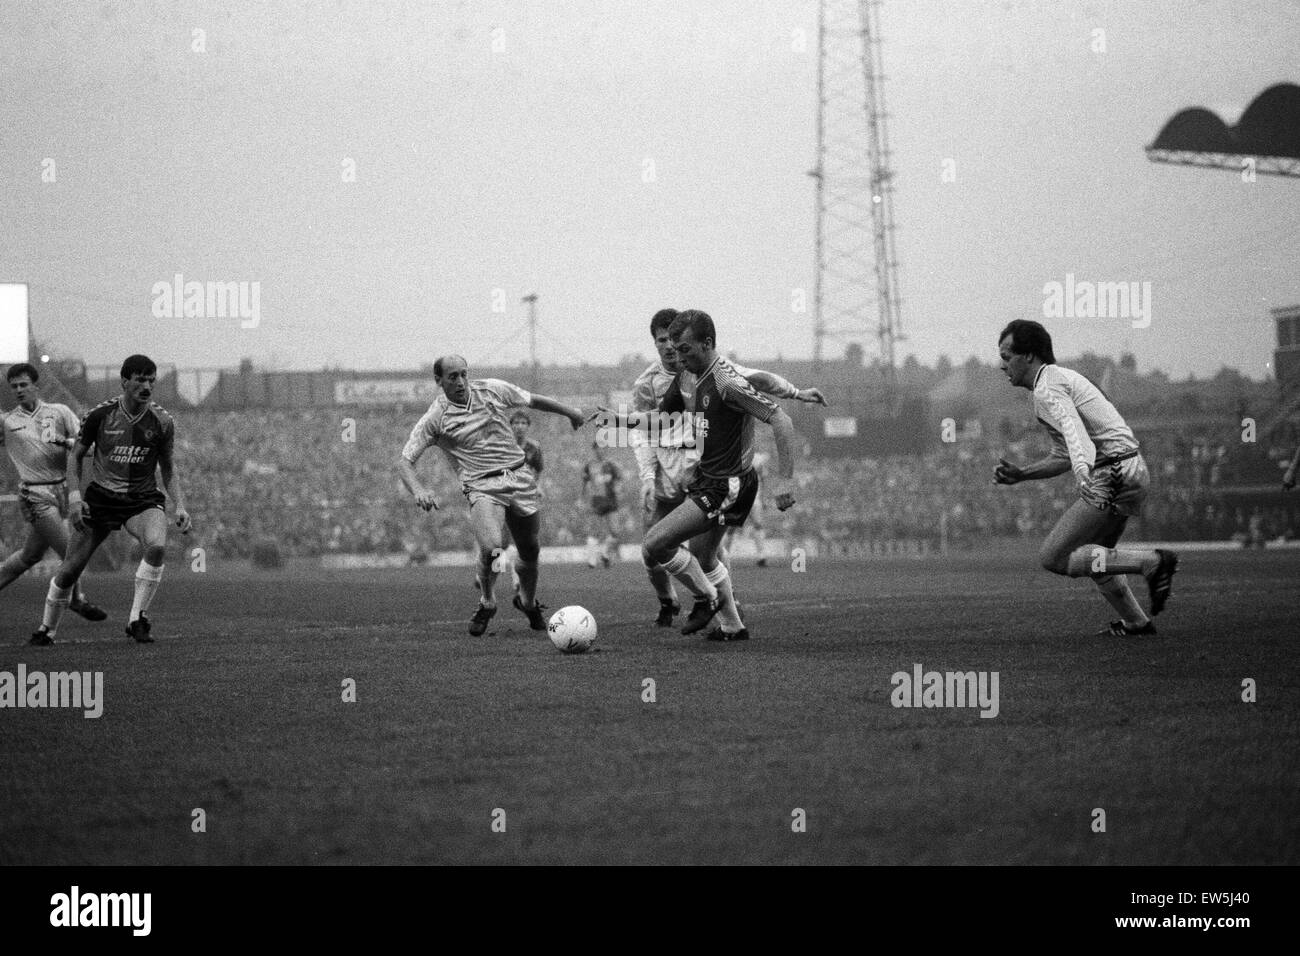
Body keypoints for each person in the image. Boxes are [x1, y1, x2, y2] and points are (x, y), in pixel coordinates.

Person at [629, 308, 826, 626]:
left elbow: (779, 416)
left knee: (655, 543)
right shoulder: (685, 375)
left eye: (684, 349)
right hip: (705, 478)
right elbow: (659, 417)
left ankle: (708, 598)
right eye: (671, 347)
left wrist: (785, 480)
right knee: (704, 555)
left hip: (727, 484)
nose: (678, 356)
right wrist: (617, 420)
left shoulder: (726, 381)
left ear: (707, 344)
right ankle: (732, 626)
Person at [992, 320, 1177, 636]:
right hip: (1129, 468)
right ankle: (1136, 622)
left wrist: (1083, 473)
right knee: (1095, 556)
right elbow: (1063, 453)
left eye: (1007, 355)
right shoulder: (1062, 379)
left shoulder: (1047, 387)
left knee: (1054, 556)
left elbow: (1077, 437)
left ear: (1030, 356)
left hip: (1112, 472)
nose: (1002, 365)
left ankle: (1152, 562)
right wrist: (1023, 474)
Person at [397, 354, 589, 636]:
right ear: (438, 380)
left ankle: (527, 601)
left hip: (519, 476)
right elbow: (404, 462)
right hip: (482, 486)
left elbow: (532, 400)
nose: (461, 381)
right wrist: (419, 490)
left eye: (464, 373)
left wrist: (570, 411)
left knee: (530, 550)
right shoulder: (435, 418)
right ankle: (487, 600)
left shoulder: (491, 389)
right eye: (453, 376)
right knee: (492, 548)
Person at [30, 354, 192, 645]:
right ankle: (46, 630)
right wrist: (76, 498)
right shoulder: (100, 415)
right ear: (125, 381)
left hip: (142, 499)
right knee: (69, 571)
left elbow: (168, 466)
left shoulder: (163, 421)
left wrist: (178, 504)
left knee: (156, 547)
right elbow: (76, 456)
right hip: (101, 499)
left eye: (151, 380)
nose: (146, 385)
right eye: (140, 379)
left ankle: (137, 619)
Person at [0, 363, 106, 620]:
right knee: (71, 550)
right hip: (35, 494)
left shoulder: (59, 412)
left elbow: (90, 448)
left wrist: (62, 441)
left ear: (36, 386)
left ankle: (75, 598)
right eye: (14, 386)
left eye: (24, 384)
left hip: (62, 490)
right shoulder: (7, 421)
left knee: (29, 555)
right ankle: (77, 600)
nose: (19, 390)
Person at [581, 441, 623, 568]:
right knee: (595, 531)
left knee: (615, 532)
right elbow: (585, 483)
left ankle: (604, 553)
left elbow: (619, 479)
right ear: (594, 450)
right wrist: (582, 499)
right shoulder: (589, 465)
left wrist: (618, 489)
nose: (601, 450)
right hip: (597, 502)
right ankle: (591, 560)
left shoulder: (611, 465)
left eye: (603, 448)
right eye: (598, 448)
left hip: (611, 501)